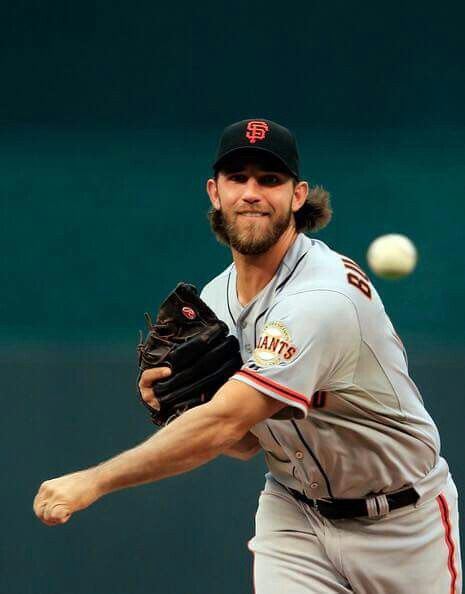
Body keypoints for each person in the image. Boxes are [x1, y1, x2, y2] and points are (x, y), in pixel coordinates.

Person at [34, 119, 462, 593]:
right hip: (296, 513)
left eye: (269, 180)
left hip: (402, 523)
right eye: (238, 178)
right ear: (215, 192)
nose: (252, 192)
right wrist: (178, 407)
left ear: (298, 196)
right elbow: (241, 442)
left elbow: (223, 424)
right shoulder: (218, 302)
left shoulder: (322, 297)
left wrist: (95, 481)